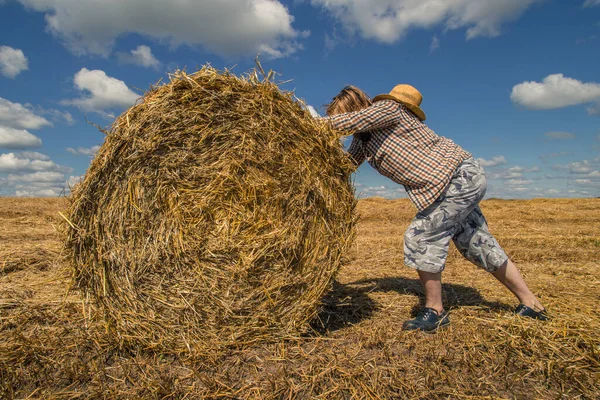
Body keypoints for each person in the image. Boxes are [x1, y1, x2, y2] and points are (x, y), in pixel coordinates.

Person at [321, 85, 547, 332]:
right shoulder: (363, 141)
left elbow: (349, 122)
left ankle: (435, 310)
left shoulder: (388, 108)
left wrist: (303, 126)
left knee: (421, 235)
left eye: (339, 114)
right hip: (448, 186)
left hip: (458, 177)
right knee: (477, 243)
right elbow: (344, 166)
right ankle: (532, 304)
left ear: (354, 107)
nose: (338, 120)